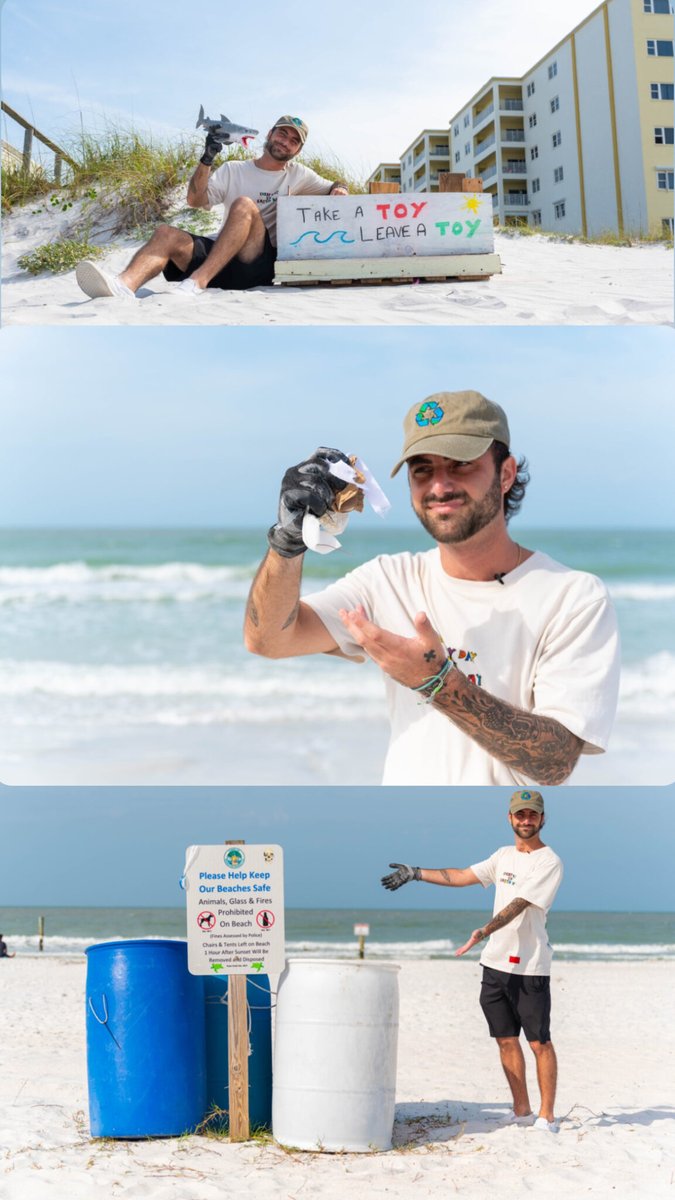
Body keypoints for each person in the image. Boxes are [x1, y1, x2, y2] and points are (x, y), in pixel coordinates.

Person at [244, 390, 620, 786]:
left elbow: (556, 761)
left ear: (506, 473)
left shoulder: (573, 597)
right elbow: (269, 639)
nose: (440, 486)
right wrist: (288, 540)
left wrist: (437, 682)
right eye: (422, 470)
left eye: (461, 465)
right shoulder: (388, 579)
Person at [381, 789, 563, 1132]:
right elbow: (463, 875)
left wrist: (484, 930)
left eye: (532, 815)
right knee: (505, 1039)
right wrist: (416, 873)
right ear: (509, 818)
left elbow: (521, 903)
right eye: (520, 814)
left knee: (539, 1042)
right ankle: (522, 1109)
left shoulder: (549, 861)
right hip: (495, 966)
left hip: (530, 967)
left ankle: (546, 1116)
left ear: (542, 819)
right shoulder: (503, 856)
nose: (526, 820)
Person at [75, 115, 348, 299]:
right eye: (282, 134)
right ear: (270, 134)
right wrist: (207, 158)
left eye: (293, 140)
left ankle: (196, 283)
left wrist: (340, 187)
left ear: (297, 150)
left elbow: (334, 184)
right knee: (165, 234)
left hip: (256, 264)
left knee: (243, 205)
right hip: (221, 259)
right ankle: (123, 286)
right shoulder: (233, 169)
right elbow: (195, 201)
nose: (285, 142)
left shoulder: (299, 174)